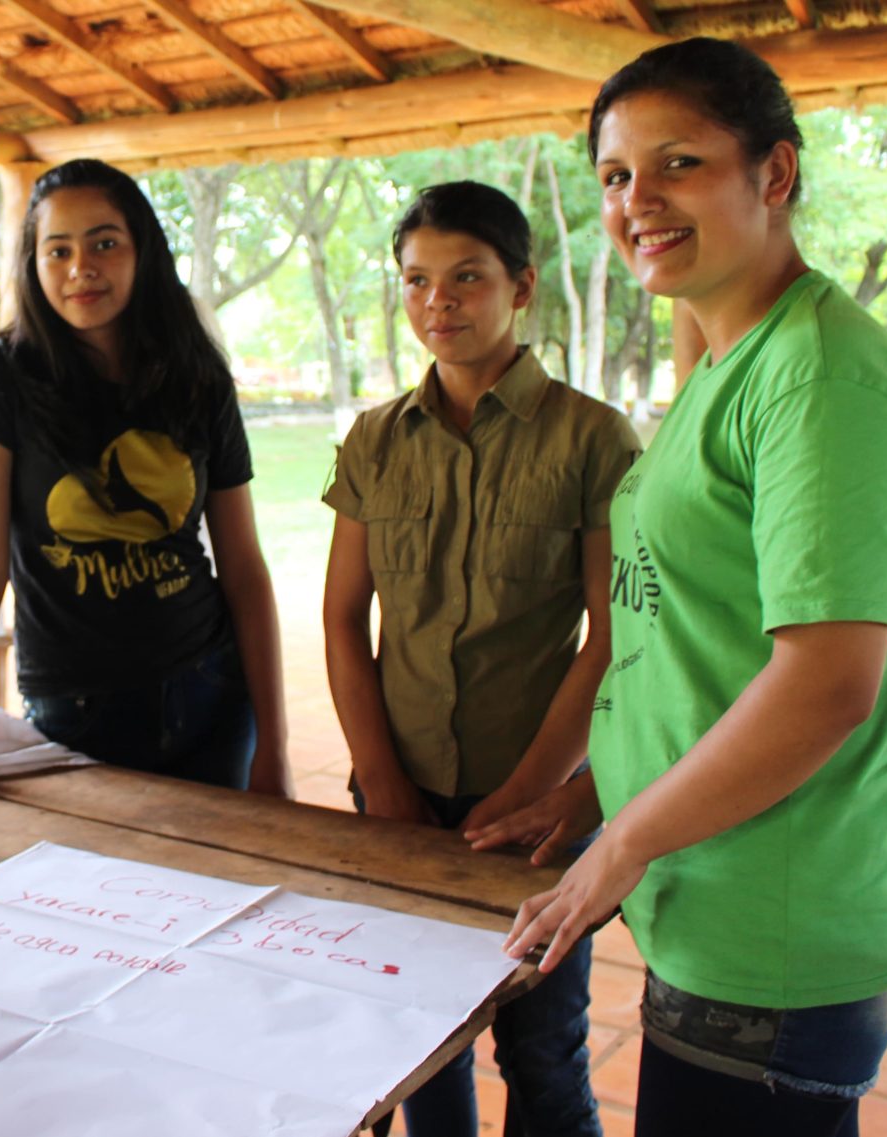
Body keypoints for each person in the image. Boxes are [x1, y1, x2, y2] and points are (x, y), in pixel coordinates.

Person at [486, 37, 887, 1137]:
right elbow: (697, 630)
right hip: (716, 885)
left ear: (774, 175)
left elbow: (826, 682)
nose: (637, 199)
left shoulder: (822, 381)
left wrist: (626, 840)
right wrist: (599, 789)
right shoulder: (728, 356)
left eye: (678, 163)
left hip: (779, 923)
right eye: (613, 175)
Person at [323, 181, 638, 1137]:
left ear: (523, 286)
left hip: (539, 813)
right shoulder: (376, 439)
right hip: (399, 795)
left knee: (542, 1048)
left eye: (466, 277)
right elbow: (343, 618)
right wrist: (380, 780)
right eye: (416, 280)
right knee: (419, 1037)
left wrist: (535, 790)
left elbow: (613, 632)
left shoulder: (592, 438)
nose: (438, 302)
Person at [0, 159, 288, 797]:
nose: (81, 267)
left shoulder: (196, 375)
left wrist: (274, 745)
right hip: (79, 710)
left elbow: (244, 567)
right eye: (58, 249)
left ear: (141, 250)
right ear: (33, 264)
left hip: (212, 690)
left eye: (104, 243)